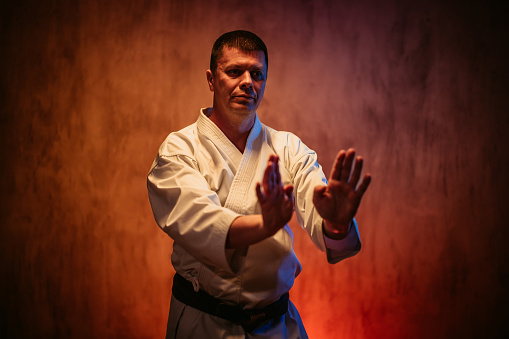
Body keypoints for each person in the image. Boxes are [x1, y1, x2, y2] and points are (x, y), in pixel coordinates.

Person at [147, 30, 371, 338]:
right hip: (204, 324)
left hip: (276, 326)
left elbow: (327, 227)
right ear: (212, 80)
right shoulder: (179, 149)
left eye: (257, 74)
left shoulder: (289, 148)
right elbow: (198, 222)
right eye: (235, 71)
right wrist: (264, 225)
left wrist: (336, 222)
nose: (248, 82)